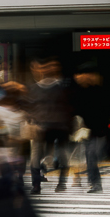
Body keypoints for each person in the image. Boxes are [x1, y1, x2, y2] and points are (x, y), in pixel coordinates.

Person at [24, 60, 77, 194]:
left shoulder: (34, 88)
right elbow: (70, 108)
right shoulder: (63, 88)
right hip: (59, 126)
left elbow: (28, 107)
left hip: (42, 125)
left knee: (36, 156)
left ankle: (36, 186)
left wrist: (32, 120)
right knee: (63, 155)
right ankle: (61, 183)